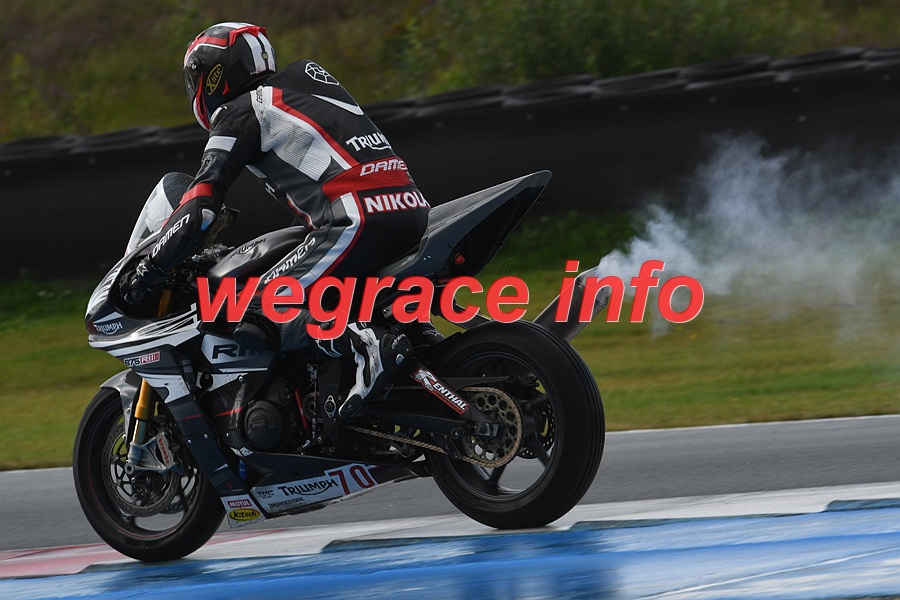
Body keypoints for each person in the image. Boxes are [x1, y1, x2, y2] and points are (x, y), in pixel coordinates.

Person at [121, 22, 435, 418]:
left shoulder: (239, 112)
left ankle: (367, 345)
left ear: (211, 77)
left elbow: (201, 205)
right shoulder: (307, 81)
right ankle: (419, 348)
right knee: (340, 299)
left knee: (245, 305)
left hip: (356, 218)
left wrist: (150, 268)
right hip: (411, 210)